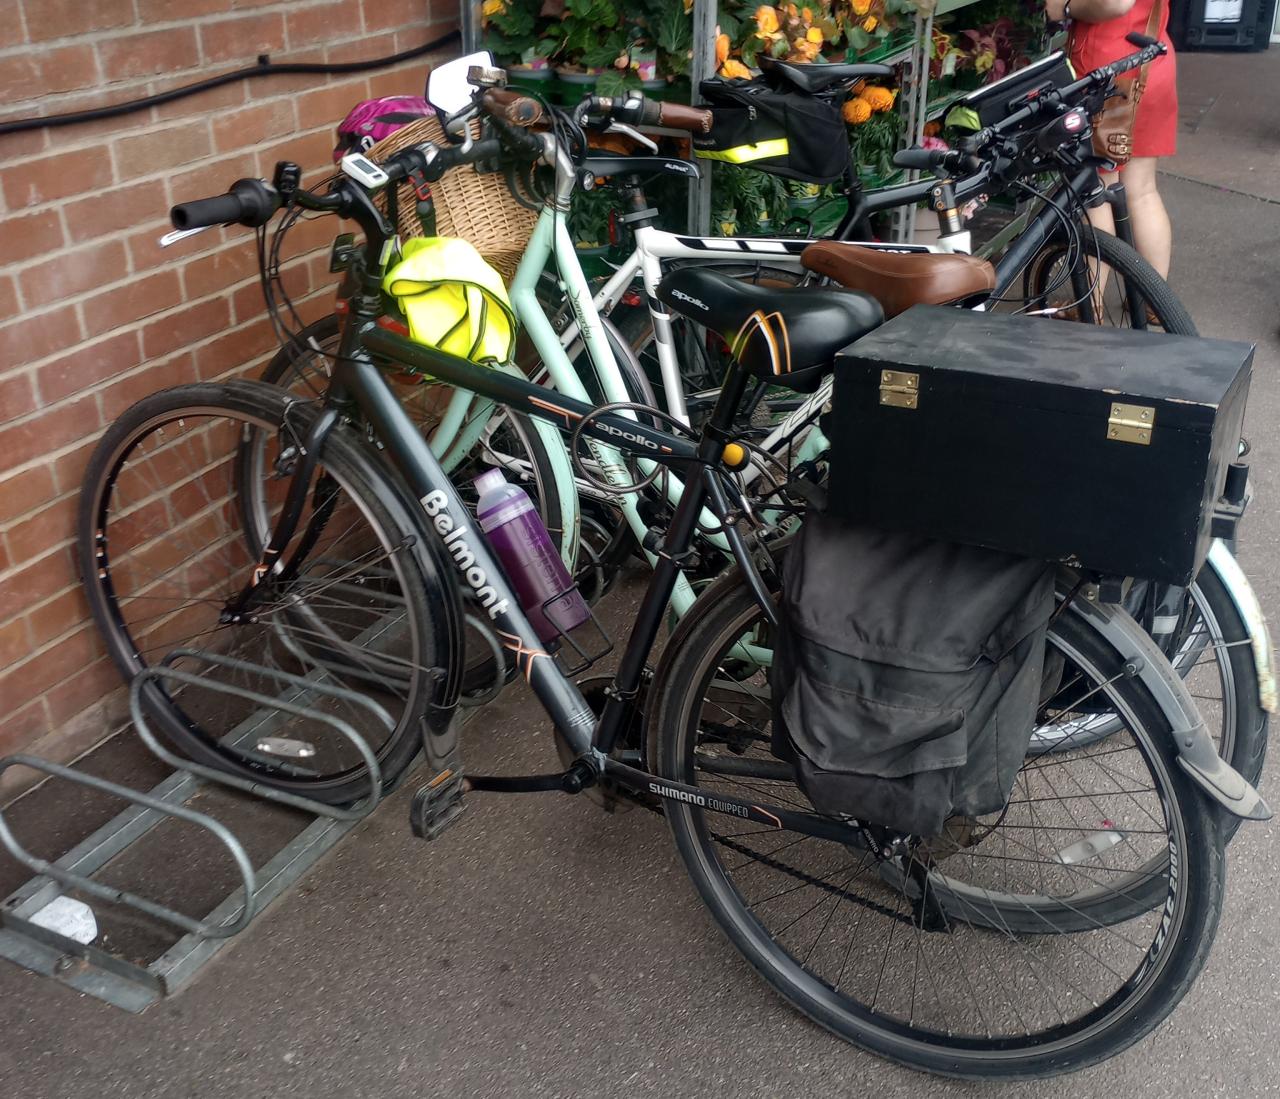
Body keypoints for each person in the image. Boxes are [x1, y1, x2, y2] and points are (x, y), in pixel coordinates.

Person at [1044, 0, 1178, 279]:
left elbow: (1115, 3)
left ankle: (1090, 309)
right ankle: (1155, 301)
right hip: (1151, 59)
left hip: (1108, 71)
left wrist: (1066, 7)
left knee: (1095, 192)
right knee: (1141, 190)